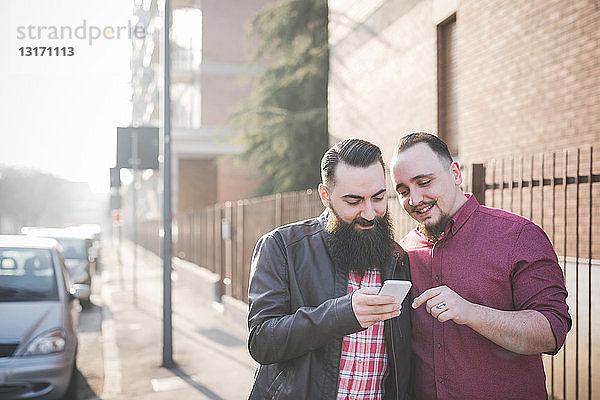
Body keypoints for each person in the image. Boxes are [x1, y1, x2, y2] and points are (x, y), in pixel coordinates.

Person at [390, 132, 571, 400]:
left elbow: (552, 331)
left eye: (424, 182)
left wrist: (469, 312)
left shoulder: (518, 236)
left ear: (455, 173)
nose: (414, 200)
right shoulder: (403, 252)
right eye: (403, 191)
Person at [247, 139, 412, 399]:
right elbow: (262, 342)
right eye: (353, 201)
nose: (369, 213)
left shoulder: (397, 258)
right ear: (326, 196)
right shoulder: (282, 247)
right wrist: (342, 313)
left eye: (378, 198)